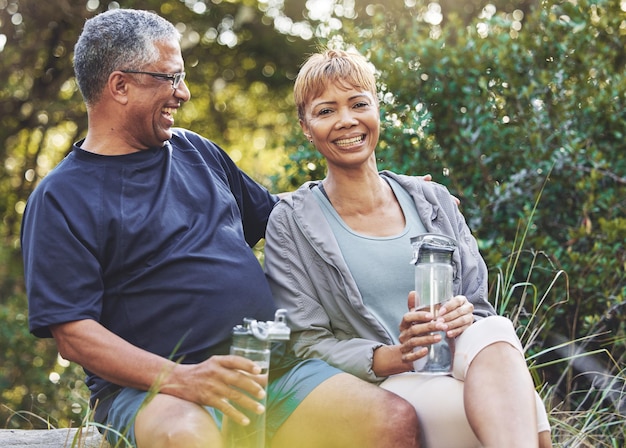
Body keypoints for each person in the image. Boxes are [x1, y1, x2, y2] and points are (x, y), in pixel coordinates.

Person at [20, 10, 423, 448]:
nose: (184, 93)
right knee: (190, 438)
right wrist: (185, 379)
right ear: (120, 86)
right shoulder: (60, 197)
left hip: (274, 371)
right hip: (156, 391)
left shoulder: (196, 151)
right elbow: (74, 335)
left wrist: (388, 193)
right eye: (170, 78)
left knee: (390, 421)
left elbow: (285, 218)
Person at [263, 48, 553, 448]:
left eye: (359, 104)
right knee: (524, 408)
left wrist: (462, 312)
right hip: (384, 381)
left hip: (464, 362)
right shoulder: (292, 222)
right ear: (306, 127)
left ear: (377, 109)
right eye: (326, 110)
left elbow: (481, 309)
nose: (347, 120)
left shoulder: (432, 199)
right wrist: (397, 354)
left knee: (498, 330)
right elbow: (307, 343)